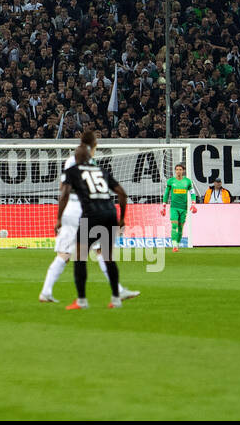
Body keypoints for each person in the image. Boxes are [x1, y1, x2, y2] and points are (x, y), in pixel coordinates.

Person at [40, 129, 139, 302]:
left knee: (91, 252)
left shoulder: (82, 160)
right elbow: (64, 188)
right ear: (93, 145)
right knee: (72, 254)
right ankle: (51, 292)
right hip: (78, 209)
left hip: (84, 209)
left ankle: (117, 290)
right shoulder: (77, 160)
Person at [59, 143, 127, 310]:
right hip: (110, 213)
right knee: (108, 257)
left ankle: (81, 300)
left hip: (92, 215)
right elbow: (122, 193)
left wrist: (59, 218)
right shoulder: (101, 171)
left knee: (80, 257)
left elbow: (65, 193)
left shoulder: (73, 172)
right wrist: (122, 218)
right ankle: (116, 298)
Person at [162, 163, 197, 252]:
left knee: (181, 228)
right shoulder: (171, 181)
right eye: (177, 169)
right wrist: (164, 206)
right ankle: (174, 246)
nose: (178, 171)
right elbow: (166, 194)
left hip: (184, 208)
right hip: (174, 207)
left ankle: (177, 244)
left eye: (180, 170)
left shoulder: (188, 181)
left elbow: (192, 193)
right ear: (175, 171)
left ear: (183, 171)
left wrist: (193, 204)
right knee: (174, 225)